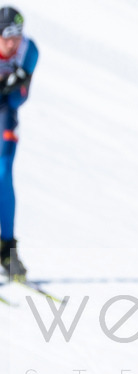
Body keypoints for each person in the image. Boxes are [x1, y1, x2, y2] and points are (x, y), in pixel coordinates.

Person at [0, 6, 37, 282]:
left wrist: (15, 85)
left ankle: (7, 249)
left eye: (17, 36)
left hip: (4, 112)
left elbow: (18, 100)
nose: (13, 43)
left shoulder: (28, 51)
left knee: (3, 173)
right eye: (7, 37)